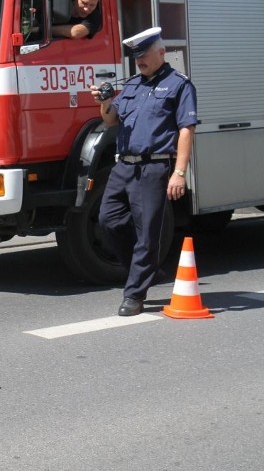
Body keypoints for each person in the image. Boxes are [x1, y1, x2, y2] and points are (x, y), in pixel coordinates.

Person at [91, 27, 198, 317]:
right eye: (136, 55)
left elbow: (186, 130)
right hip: (123, 165)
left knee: (148, 232)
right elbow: (112, 120)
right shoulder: (133, 85)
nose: (139, 60)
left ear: (161, 53)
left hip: (154, 166)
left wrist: (179, 172)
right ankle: (146, 268)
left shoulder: (179, 85)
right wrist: (104, 101)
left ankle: (134, 294)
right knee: (108, 220)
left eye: (144, 54)